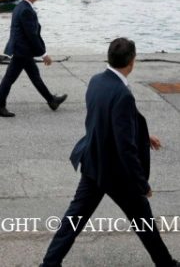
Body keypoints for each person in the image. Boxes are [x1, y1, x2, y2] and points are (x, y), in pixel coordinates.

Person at [41, 38, 179, 267]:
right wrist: (142, 184)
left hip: (93, 162)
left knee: (73, 220)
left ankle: (49, 264)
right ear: (132, 62)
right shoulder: (122, 93)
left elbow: (108, 119)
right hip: (116, 173)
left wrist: (144, 136)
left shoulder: (97, 81)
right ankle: (166, 264)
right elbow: (126, 148)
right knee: (143, 221)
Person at [0, 0, 67, 117]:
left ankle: (52, 101)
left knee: (35, 76)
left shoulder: (19, 6)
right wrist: (44, 54)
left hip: (22, 50)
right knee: (9, 79)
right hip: (22, 51)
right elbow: (32, 35)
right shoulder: (26, 10)